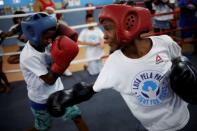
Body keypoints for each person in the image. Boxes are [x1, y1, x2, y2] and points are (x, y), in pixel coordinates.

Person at [47, 3, 197, 131]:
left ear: (128, 26)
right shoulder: (114, 63)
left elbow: (178, 59)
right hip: (150, 126)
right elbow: (90, 89)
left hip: (182, 120)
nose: (104, 36)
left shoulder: (164, 42)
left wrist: (187, 75)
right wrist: (68, 95)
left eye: (108, 28)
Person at [20, 12, 89, 131]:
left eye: (51, 38)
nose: (49, 41)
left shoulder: (45, 40)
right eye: (47, 38)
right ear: (34, 36)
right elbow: (49, 80)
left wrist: (61, 29)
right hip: (40, 99)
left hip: (59, 93)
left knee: (77, 116)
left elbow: (55, 34)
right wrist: (63, 62)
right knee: (41, 128)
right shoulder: (29, 56)